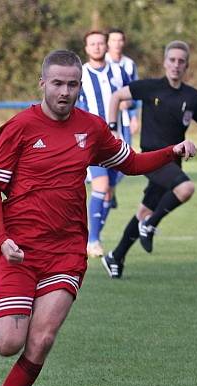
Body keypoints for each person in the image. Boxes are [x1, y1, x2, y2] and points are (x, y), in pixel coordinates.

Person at [0, 50, 197, 386]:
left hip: (66, 251)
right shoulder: (18, 128)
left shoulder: (92, 128)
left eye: (72, 84)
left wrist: (171, 152)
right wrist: (1, 237)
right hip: (21, 250)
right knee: (8, 343)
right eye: (58, 83)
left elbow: (130, 163)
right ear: (42, 83)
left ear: (79, 86)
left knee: (42, 340)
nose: (65, 92)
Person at [102, 41, 197, 279]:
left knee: (144, 211)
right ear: (165, 62)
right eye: (172, 60)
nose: (176, 65)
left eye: (181, 61)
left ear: (187, 65)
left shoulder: (192, 96)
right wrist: (112, 129)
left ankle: (116, 255)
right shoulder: (151, 87)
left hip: (174, 162)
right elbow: (116, 97)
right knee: (186, 188)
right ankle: (150, 225)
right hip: (152, 159)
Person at [77, 31, 132, 258]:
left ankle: (93, 236)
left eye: (101, 43)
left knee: (109, 193)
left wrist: (128, 105)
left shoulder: (119, 71)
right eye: (93, 44)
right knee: (100, 186)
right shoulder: (80, 74)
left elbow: (130, 97)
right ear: (86, 48)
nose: (97, 47)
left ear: (106, 46)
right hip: (92, 142)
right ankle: (92, 241)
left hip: (115, 140)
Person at [106, 29, 140, 146]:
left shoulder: (129, 64)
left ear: (124, 42)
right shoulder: (102, 62)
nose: (117, 43)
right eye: (113, 40)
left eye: (120, 40)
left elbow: (136, 92)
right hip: (104, 116)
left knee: (125, 151)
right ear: (108, 42)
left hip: (124, 117)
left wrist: (134, 117)